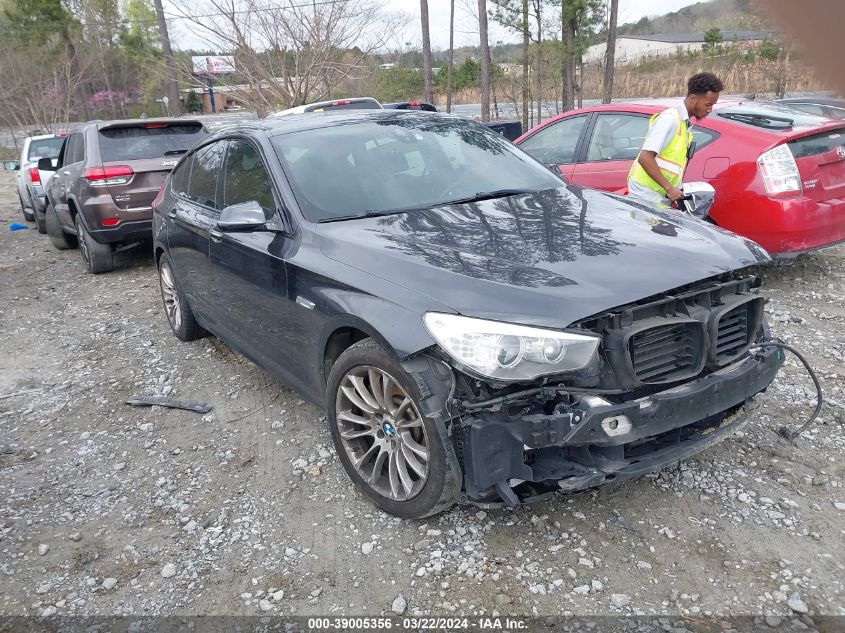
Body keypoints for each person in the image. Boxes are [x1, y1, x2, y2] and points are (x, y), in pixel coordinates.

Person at [627, 72, 723, 208]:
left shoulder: (683, 123)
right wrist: (669, 189)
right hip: (646, 194)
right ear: (693, 98)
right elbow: (645, 157)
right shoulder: (669, 120)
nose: (710, 110)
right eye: (707, 104)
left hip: (658, 196)